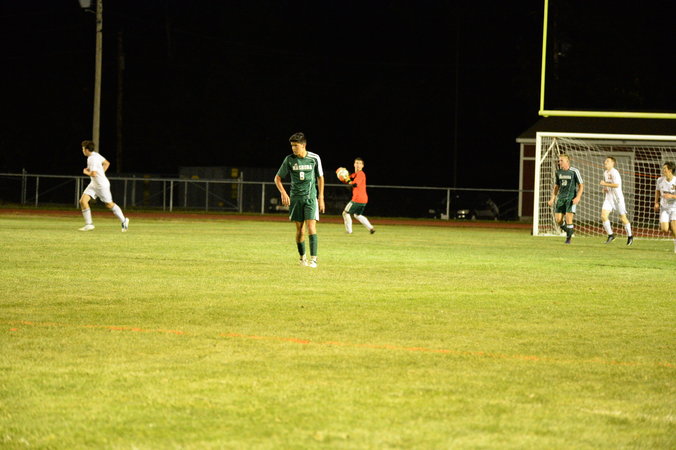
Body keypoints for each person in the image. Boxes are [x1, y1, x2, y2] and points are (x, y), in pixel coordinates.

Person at [274, 132, 325, 268]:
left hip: (310, 198)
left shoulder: (314, 158)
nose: (293, 148)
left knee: (311, 227)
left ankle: (313, 260)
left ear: (303, 145)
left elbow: (320, 177)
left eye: (295, 145)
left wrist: (321, 197)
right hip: (296, 199)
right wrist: (283, 193)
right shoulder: (289, 159)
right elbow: (277, 178)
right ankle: (303, 258)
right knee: (300, 230)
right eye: (292, 146)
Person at [78, 140, 129, 232]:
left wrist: (85, 172)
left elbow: (93, 174)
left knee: (109, 204)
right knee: (83, 201)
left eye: (83, 149)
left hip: (101, 185)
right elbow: (107, 163)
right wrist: (101, 173)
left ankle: (124, 221)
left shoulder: (92, 159)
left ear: (86, 150)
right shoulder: (95, 154)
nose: (82, 150)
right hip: (94, 184)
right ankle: (89, 224)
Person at [547, 153, 584, 244]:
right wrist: (552, 198)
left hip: (571, 198)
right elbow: (556, 187)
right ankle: (569, 231)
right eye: (559, 160)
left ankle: (568, 239)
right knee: (558, 220)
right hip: (561, 198)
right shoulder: (558, 172)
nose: (559, 162)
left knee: (568, 218)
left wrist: (578, 197)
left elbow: (581, 185)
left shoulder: (574, 171)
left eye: (561, 160)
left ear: (567, 161)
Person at [599, 156, 633, 245]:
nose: (605, 162)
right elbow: (609, 185)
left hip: (617, 199)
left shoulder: (615, 172)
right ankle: (611, 235)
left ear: (612, 163)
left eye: (607, 161)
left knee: (623, 218)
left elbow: (617, 185)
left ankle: (630, 236)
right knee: (603, 216)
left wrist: (605, 183)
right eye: (605, 161)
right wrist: (605, 188)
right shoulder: (605, 173)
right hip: (609, 198)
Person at [342, 157, 375, 234]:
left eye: (360, 163)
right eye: (356, 163)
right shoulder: (354, 174)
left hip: (357, 198)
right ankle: (371, 228)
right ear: (354, 164)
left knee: (345, 213)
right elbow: (348, 180)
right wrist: (343, 175)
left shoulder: (361, 174)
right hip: (364, 199)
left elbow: (355, 184)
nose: (358, 165)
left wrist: (348, 181)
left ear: (363, 166)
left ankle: (349, 231)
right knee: (357, 215)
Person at [654, 161, 676, 253]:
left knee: (674, 228)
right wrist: (656, 203)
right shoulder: (660, 180)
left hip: (674, 207)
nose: (663, 170)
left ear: (670, 170)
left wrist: (672, 196)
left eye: (664, 169)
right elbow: (657, 191)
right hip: (664, 208)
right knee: (664, 229)